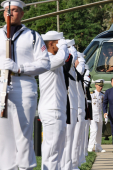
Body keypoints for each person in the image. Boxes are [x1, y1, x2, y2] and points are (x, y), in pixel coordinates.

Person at [0, 1, 50, 169]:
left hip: (24, 88)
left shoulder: (33, 36)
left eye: (14, 10)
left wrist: (20, 68)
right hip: (1, 88)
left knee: (23, 134)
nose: (10, 13)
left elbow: (45, 63)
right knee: (4, 138)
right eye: (7, 10)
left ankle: (26, 167)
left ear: (22, 14)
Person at [38, 31, 69, 170]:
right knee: (52, 152)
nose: (61, 44)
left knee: (57, 151)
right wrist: (64, 47)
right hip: (52, 110)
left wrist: (62, 46)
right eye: (59, 42)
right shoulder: (47, 60)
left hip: (56, 109)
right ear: (51, 44)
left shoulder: (52, 59)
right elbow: (63, 58)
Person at [61, 39, 78, 170]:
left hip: (71, 103)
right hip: (67, 104)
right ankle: (66, 166)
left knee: (70, 138)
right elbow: (72, 58)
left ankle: (69, 165)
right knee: (66, 138)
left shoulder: (70, 67)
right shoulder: (64, 64)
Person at [72, 52, 86, 170]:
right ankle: (73, 163)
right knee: (72, 138)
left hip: (78, 106)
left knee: (78, 137)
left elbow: (81, 70)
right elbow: (79, 70)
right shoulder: (69, 69)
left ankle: (75, 161)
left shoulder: (76, 69)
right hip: (73, 106)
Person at [88, 79, 106, 153]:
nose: (100, 87)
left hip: (99, 115)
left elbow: (104, 106)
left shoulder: (103, 95)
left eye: (101, 86)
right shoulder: (91, 94)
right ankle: (90, 146)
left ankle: (98, 147)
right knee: (94, 130)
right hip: (92, 115)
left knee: (99, 132)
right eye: (99, 85)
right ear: (95, 85)